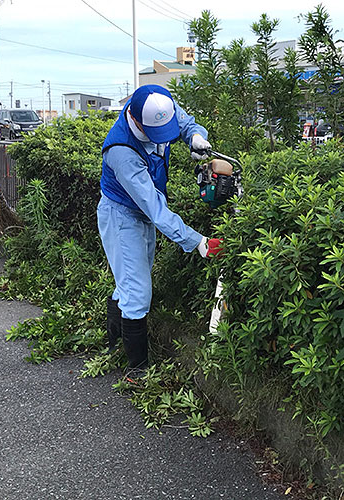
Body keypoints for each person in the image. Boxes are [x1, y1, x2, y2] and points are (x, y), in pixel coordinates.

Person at [97, 84, 222, 373]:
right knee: (138, 291)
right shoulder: (121, 151)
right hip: (121, 214)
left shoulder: (159, 105)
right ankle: (136, 370)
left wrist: (195, 136)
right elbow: (155, 209)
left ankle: (114, 346)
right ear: (136, 119)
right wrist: (198, 241)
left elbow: (185, 121)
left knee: (130, 282)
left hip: (143, 210)